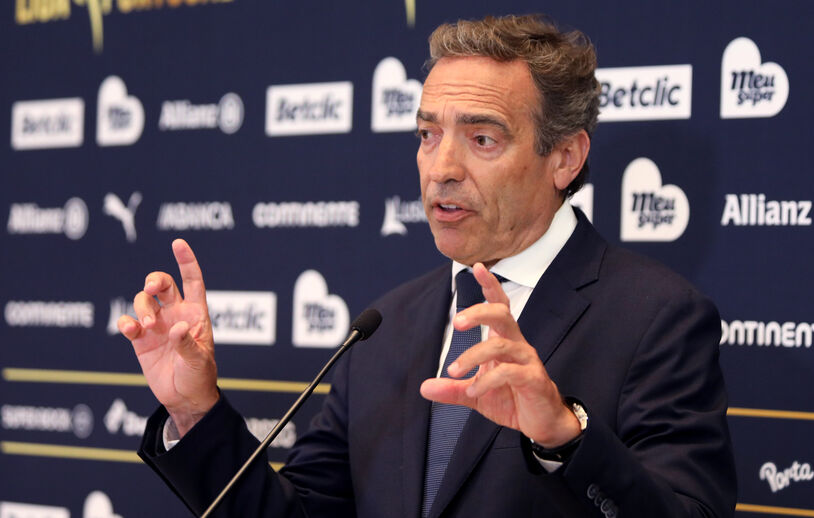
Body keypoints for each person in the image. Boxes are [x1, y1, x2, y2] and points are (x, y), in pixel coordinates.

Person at [119, 14, 736, 518]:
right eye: (427, 135)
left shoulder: (655, 318)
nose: (441, 168)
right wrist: (195, 410)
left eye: (482, 139)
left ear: (565, 158)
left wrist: (564, 436)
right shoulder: (386, 325)